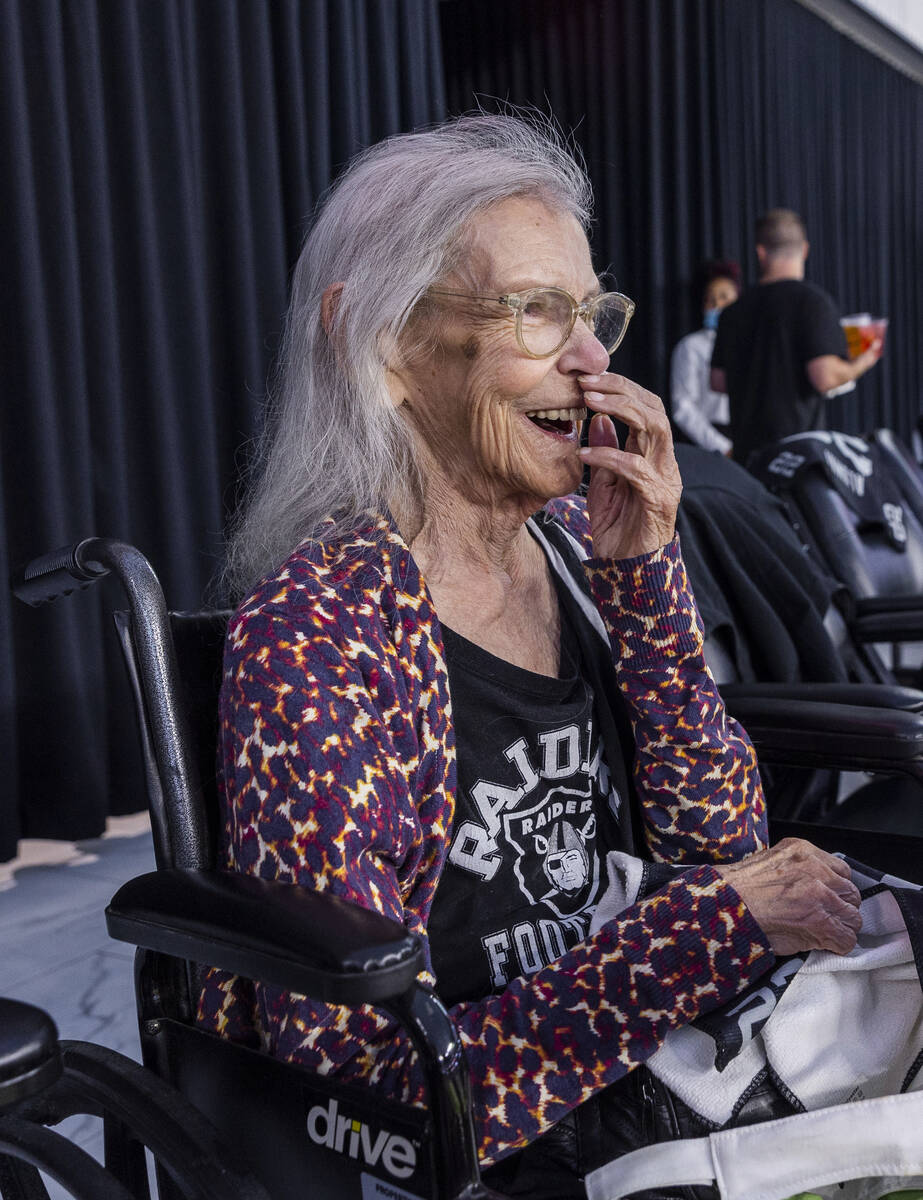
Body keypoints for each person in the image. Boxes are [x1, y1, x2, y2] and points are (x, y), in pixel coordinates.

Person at [198, 117, 863, 1195]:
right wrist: (708, 929)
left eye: (591, 311)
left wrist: (644, 586)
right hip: (533, 1138)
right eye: (537, 311)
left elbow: (717, 838)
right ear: (379, 345)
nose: (594, 357)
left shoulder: (572, 557)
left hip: (680, 1066)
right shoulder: (316, 632)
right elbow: (363, 1080)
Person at [710, 208, 883, 467]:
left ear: (761, 252)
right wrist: (863, 363)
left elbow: (718, 381)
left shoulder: (732, 312)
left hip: (747, 459)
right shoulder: (814, 302)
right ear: (804, 249)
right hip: (797, 462)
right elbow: (824, 377)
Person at [670, 260, 740, 455]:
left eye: (724, 297)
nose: (717, 304)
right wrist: (723, 447)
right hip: (711, 443)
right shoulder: (691, 346)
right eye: (710, 299)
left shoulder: (750, 343)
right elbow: (683, 408)